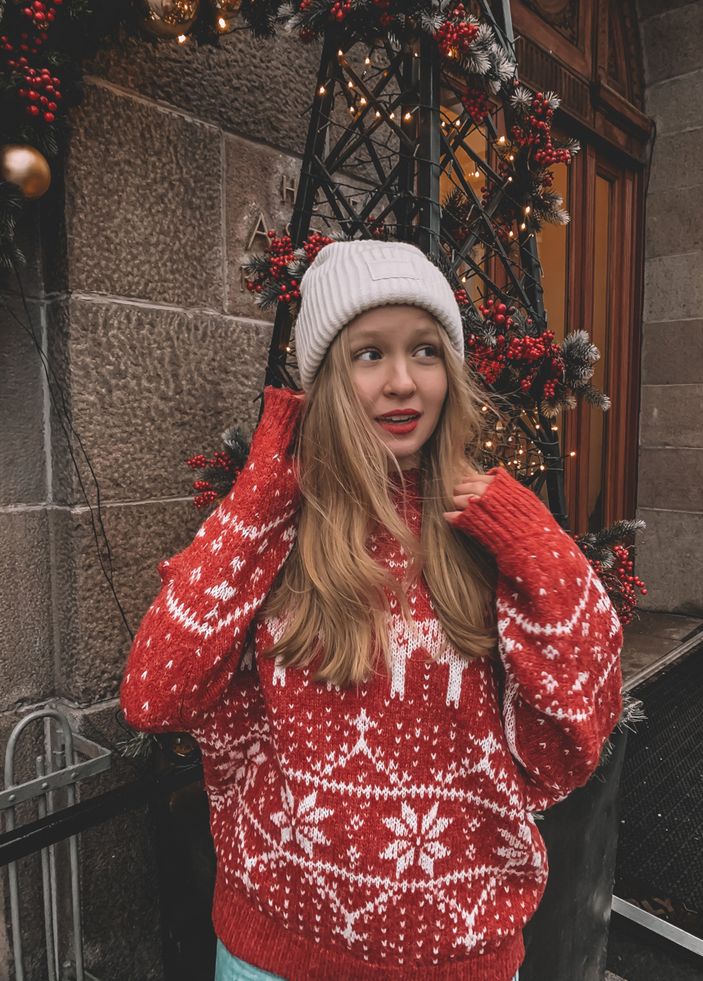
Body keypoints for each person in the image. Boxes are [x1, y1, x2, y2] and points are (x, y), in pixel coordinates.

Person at [119, 239, 624, 981]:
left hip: (461, 963)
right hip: (273, 958)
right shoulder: (278, 533)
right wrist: (264, 489)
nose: (401, 382)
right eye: (367, 355)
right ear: (326, 376)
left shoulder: (486, 537)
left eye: (424, 351)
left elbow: (572, 743)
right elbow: (155, 693)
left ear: (449, 371)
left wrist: (535, 541)